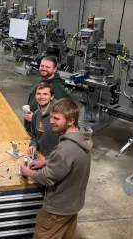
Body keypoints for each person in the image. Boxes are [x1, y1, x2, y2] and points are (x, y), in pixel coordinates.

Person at [20, 98, 93, 239]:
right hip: (73, 204)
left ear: (71, 121)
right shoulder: (82, 139)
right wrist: (47, 161)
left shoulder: (64, 149)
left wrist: (29, 173)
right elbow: (70, 162)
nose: (51, 121)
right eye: (51, 117)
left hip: (57, 210)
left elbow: (47, 177)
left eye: (56, 118)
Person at [24, 56, 67, 132]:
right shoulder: (38, 80)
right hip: (31, 127)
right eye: (42, 66)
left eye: (47, 67)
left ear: (54, 69)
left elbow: (59, 116)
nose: (44, 68)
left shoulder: (57, 88)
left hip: (43, 131)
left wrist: (35, 119)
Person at [27, 82, 58, 158]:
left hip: (56, 158)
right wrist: (33, 146)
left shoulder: (59, 114)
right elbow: (34, 135)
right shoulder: (35, 114)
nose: (41, 97)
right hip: (40, 156)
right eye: (38, 94)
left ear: (52, 97)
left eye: (45, 94)